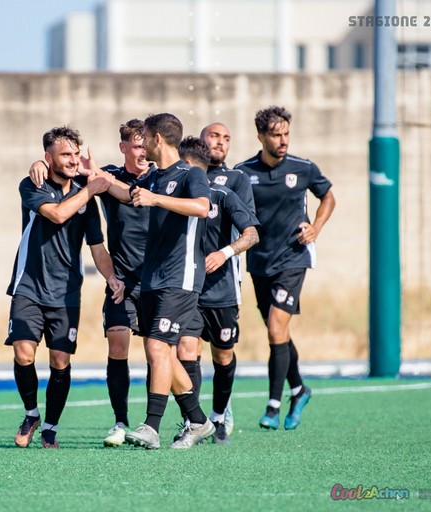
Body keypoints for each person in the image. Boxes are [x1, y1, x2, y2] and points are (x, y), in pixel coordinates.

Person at [28, 120, 152, 447]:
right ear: (123, 146)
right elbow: (63, 170)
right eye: (136, 146)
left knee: (163, 352)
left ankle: (178, 419)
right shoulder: (100, 176)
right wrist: (40, 163)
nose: (143, 152)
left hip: (160, 280)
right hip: (122, 278)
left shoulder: (164, 177)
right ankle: (121, 422)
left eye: (147, 145)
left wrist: (100, 179)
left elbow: (128, 195)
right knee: (118, 343)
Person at [6, 126, 123, 449]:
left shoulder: (87, 193)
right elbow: (57, 214)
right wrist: (90, 190)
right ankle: (31, 414)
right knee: (24, 351)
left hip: (67, 291)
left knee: (59, 360)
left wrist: (111, 277)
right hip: (28, 285)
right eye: (64, 154)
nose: (72, 160)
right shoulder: (33, 184)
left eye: (75, 154)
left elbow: (97, 246)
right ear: (48, 158)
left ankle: (51, 428)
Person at [105, 113, 215, 450]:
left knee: (157, 347)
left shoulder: (190, 173)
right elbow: (125, 192)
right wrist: (89, 171)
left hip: (179, 276)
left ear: (157, 139)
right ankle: (198, 420)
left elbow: (201, 206)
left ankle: (151, 427)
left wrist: (156, 199)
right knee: (162, 353)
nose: (142, 146)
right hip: (152, 278)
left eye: (146, 138)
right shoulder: (153, 179)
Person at [234, 106, 336, 430]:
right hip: (260, 262)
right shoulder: (242, 172)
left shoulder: (303, 168)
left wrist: (316, 227)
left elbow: (329, 196)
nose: (283, 140)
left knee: (277, 330)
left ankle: (273, 406)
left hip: (294, 257)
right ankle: (300, 389)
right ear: (261, 136)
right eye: (276, 135)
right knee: (278, 332)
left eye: (286, 134)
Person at [177, 136, 260, 444]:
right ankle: (192, 421)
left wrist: (224, 253)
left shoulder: (223, 195)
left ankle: (220, 413)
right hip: (187, 288)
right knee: (187, 351)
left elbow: (251, 235)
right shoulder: (172, 196)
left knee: (223, 356)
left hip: (221, 291)